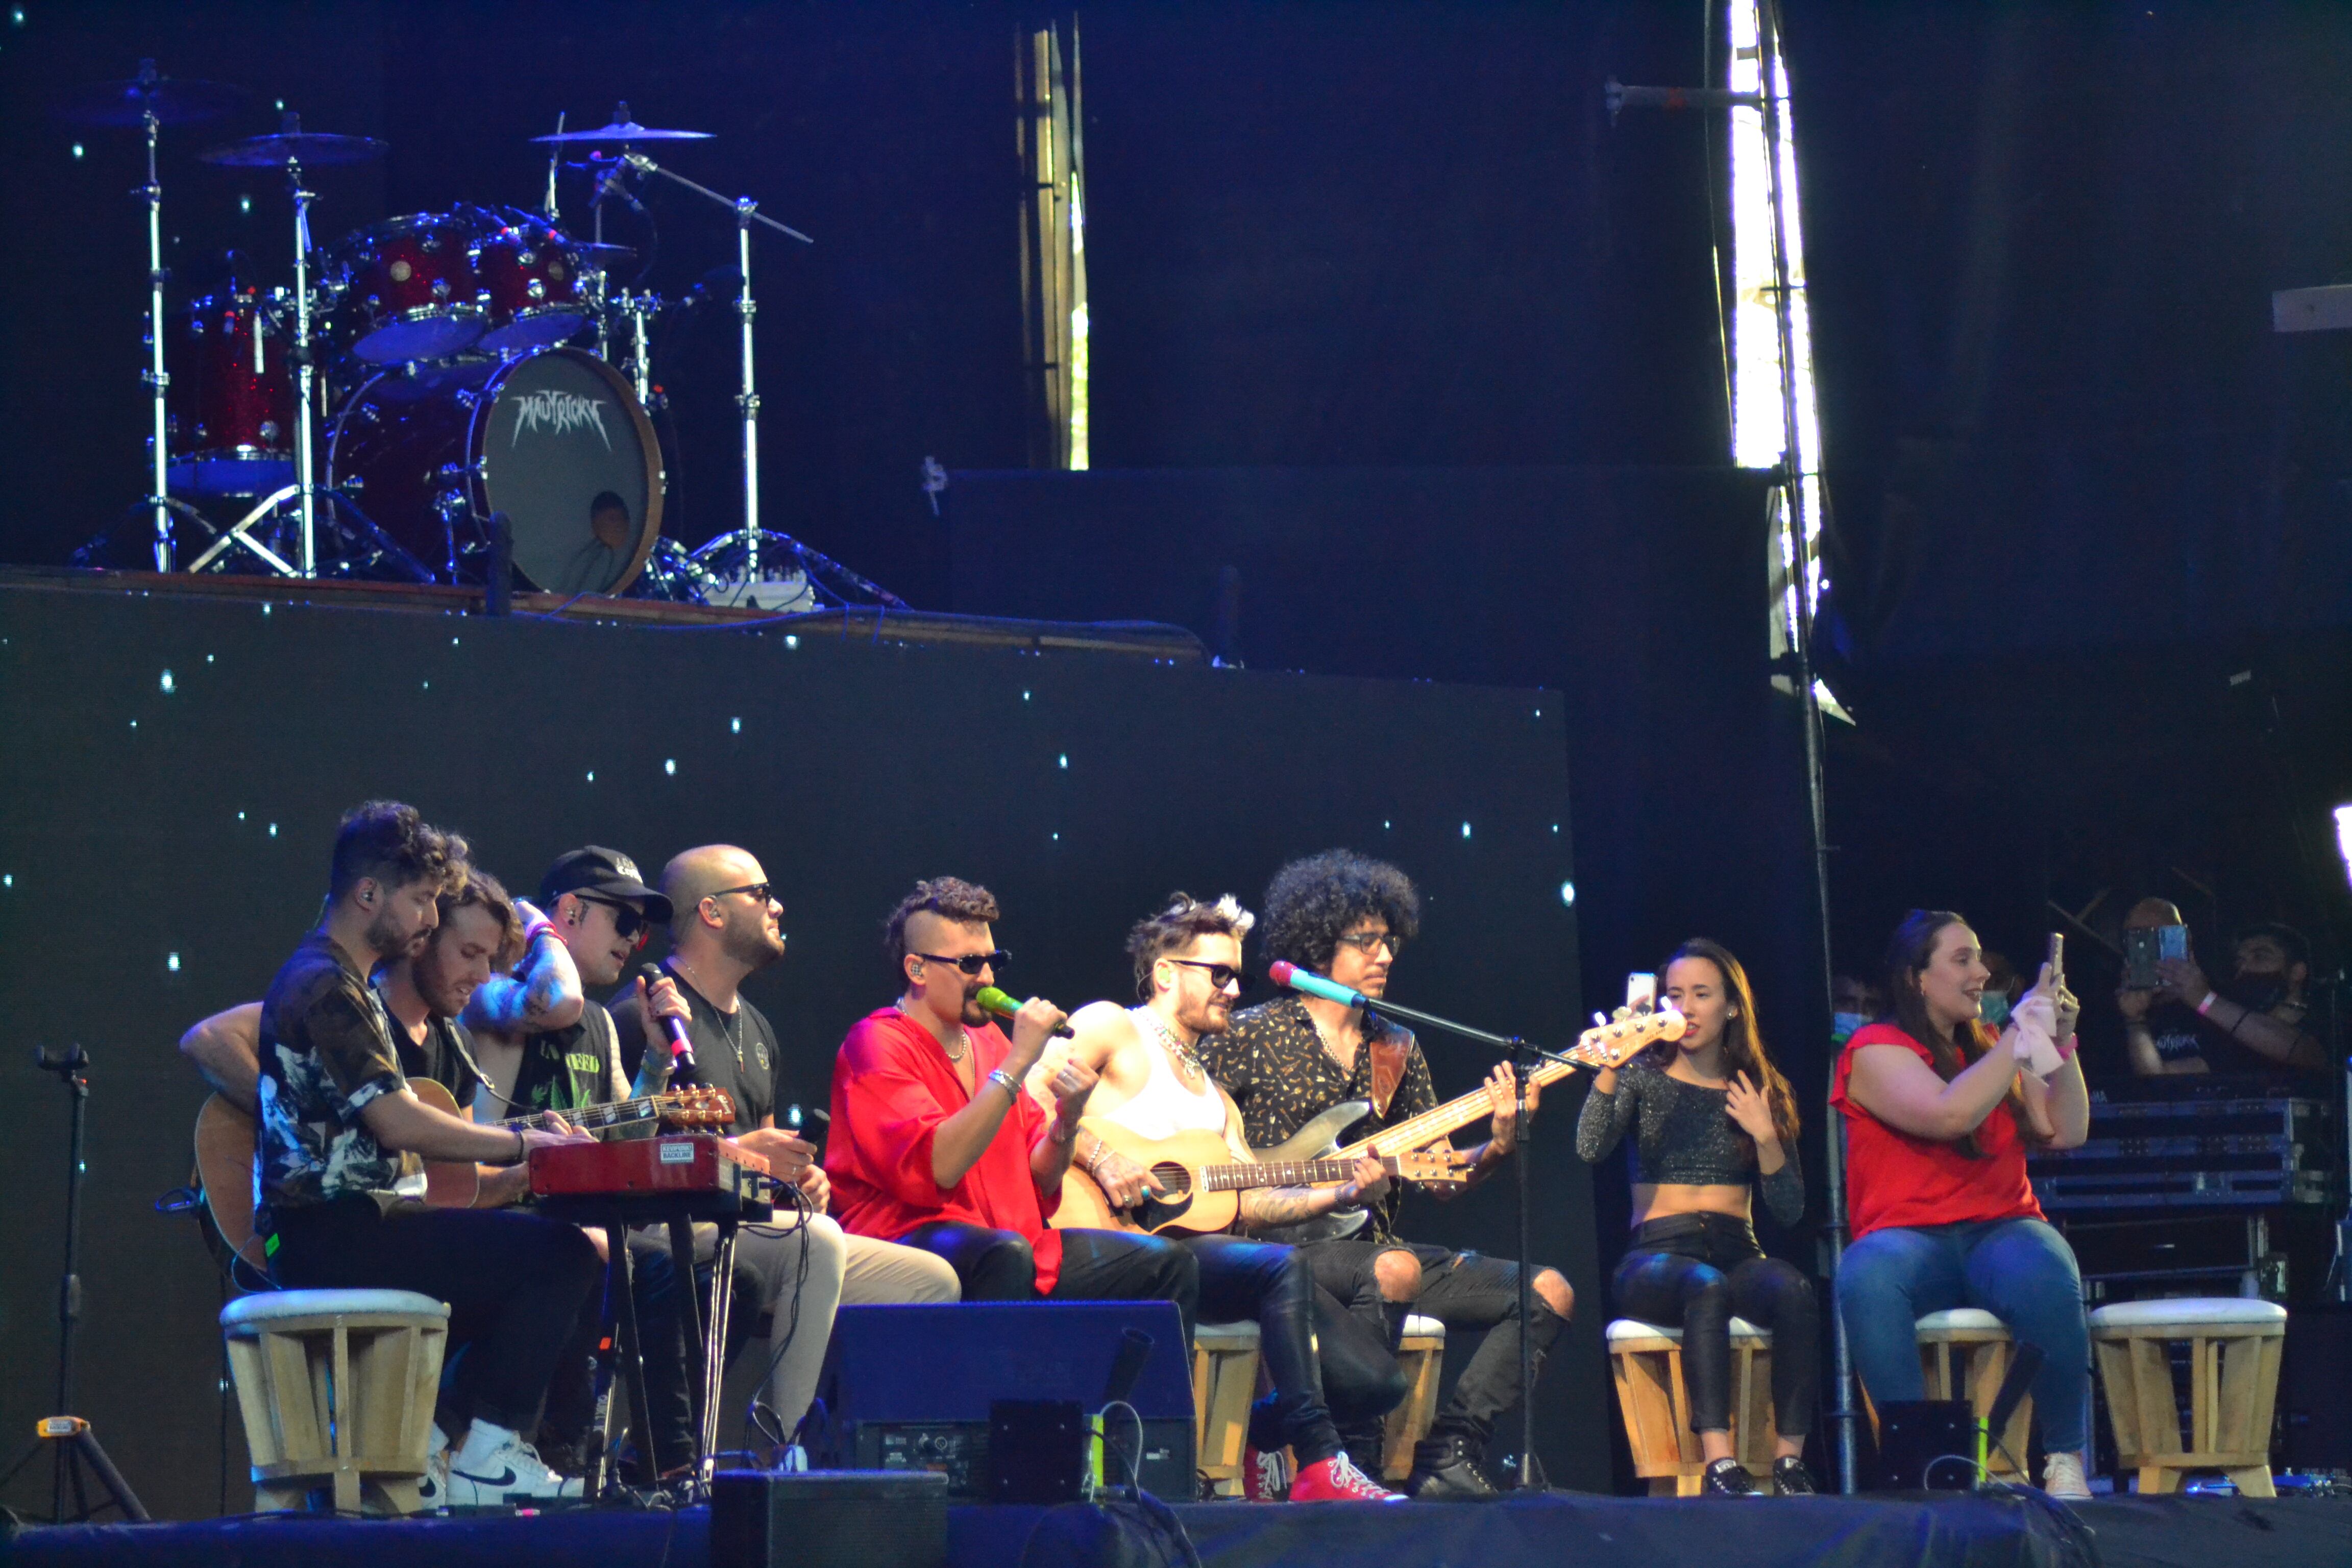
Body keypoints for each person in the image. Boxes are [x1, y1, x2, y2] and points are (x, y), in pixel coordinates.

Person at [1196, 850, 1574, 1501]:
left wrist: (1499, 1146)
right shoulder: (1250, 1033)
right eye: (1365, 941)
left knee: (1549, 1290)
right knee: (1392, 1268)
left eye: (1388, 941)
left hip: (1373, 1251)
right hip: (1278, 1252)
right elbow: (1199, 1153)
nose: (1384, 956)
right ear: (1318, 946)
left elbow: (1441, 1175)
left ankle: (1453, 1448)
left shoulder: (1395, 1044)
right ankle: (1351, 1464)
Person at [253, 802, 599, 1506]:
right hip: (331, 1235)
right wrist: (522, 1142)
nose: (425, 922)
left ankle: (444, 1445)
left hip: (359, 1228)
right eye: (419, 902)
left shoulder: (346, 982)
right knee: (559, 1256)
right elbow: (396, 1122)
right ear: (369, 894)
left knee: (537, 1270)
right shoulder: (324, 984)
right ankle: (486, 1453)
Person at [1037, 892, 1405, 1501]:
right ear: (1164, 974)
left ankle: (1260, 1429)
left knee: (1376, 1383)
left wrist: (1334, 1192)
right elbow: (1026, 1095)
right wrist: (1103, 1158)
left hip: (1186, 1260)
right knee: (1280, 1267)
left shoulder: (1217, 1100)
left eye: (1240, 976)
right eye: (1220, 974)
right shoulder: (1113, 1027)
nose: (1235, 989)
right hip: (1094, 1242)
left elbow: (1250, 1201)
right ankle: (1319, 1465)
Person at [614, 845, 961, 1451]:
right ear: (713, 913)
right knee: (816, 1240)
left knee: (933, 1281)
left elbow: (767, 1160)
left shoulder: (758, 1027)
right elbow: (627, 1155)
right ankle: (790, 1450)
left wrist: (798, 1179)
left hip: (749, 1224)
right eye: (761, 893)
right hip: (662, 1225)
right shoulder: (645, 1011)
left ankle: (875, 1452)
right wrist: (745, 1156)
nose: (778, 906)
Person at [1832, 910, 2093, 1500]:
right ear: (1916, 978)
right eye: (1962, 959)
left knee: (2048, 1272)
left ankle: (2064, 1457)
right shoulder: (1874, 1049)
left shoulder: (1994, 1048)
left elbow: (2069, 1128)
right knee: (1866, 1277)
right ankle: (1919, 1468)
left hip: (2000, 1226)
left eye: (1979, 958)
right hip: (1908, 1237)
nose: (1981, 973)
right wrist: (2015, 1040)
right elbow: (1950, 1114)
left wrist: (2059, 1042)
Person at [1577, 938, 1818, 1496]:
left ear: (1731, 1006)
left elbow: (1789, 1208)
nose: (1684, 1008)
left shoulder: (1759, 1087)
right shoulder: (1643, 1076)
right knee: (1704, 1287)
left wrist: (1766, 1137)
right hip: (1657, 1255)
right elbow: (1590, 1147)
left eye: (1700, 995)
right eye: (1674, 995)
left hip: (1738, 1247)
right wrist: (1612, 1064)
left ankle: (1789, 1463)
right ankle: (1720, 1464)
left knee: (1794, 1289)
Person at [2118, 900, 2331, 1076]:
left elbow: (2307, 1053)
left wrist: (2204, 1000)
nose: (2245, 967)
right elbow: (2158, 1082)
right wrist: (2135, 1020)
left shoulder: (2328, 1018)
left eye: (2260, 957)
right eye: (2138, 938)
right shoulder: (2229, 1025)